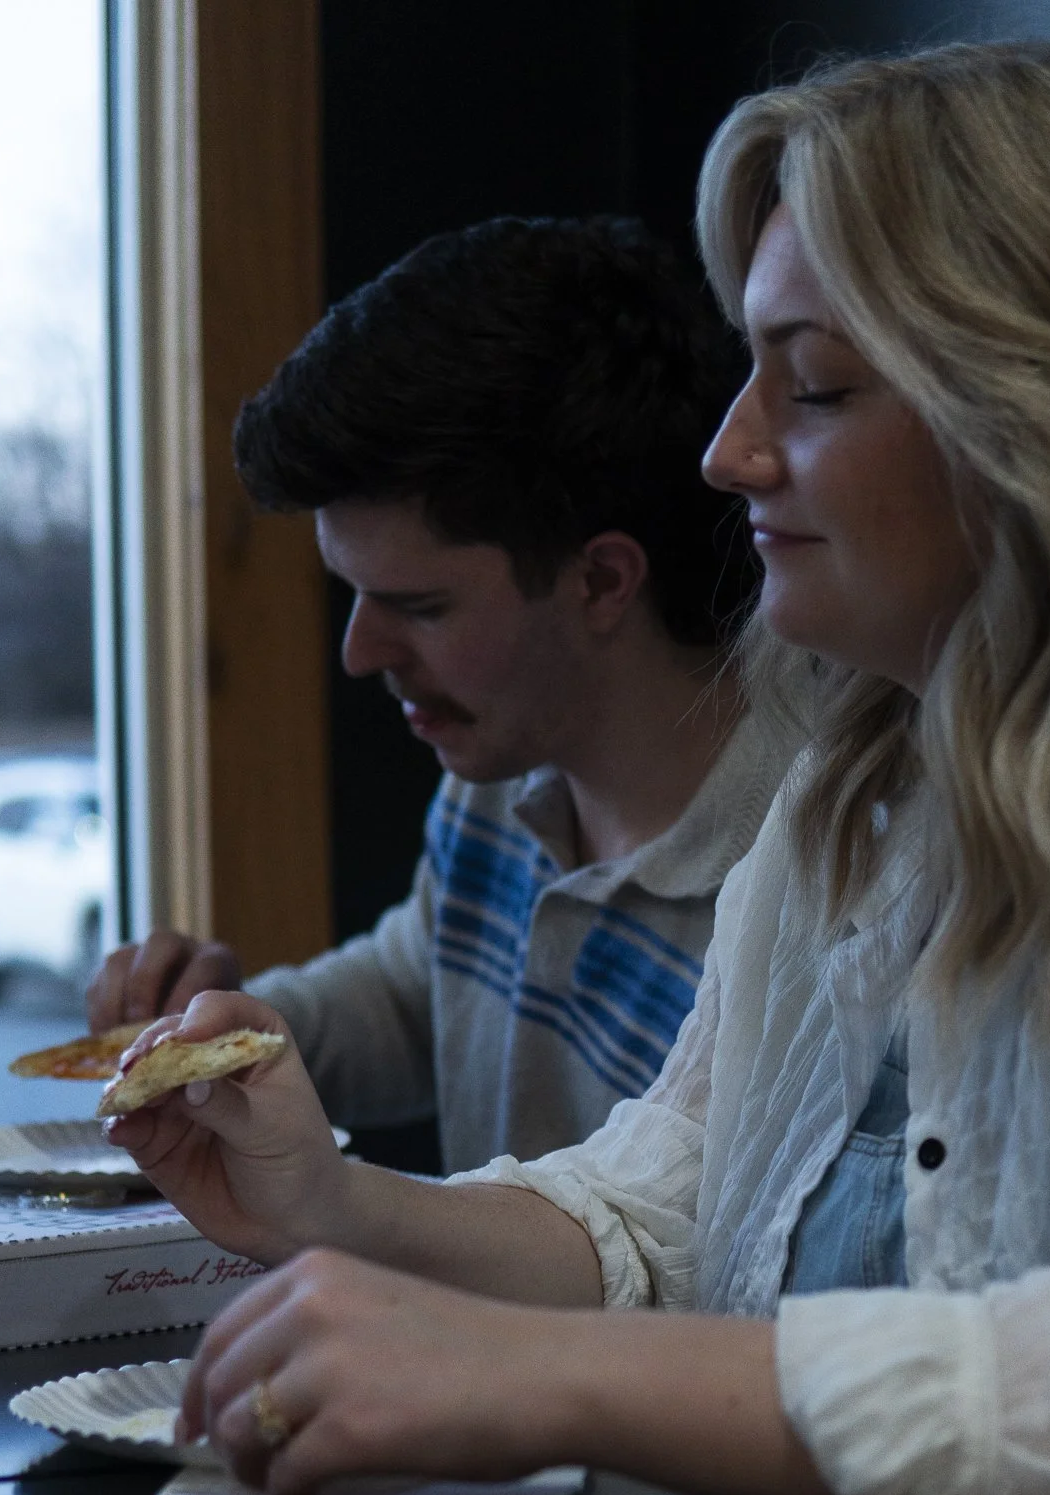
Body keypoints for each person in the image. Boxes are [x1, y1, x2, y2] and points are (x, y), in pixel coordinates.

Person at [106, 43, 1050, 1495]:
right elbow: (665, 1207)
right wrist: (330, 1207)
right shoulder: (868, 789)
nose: (727, 452)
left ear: (1045, 414)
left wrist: (547, 1377)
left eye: (812, 387)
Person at [89, 215, 791, 1168]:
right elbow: (418, 991)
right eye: (353, 596)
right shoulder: (507, 757)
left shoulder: (810, 863)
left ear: (601, 582)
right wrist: (222, 1031)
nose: (359, 653)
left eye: (415, 605)